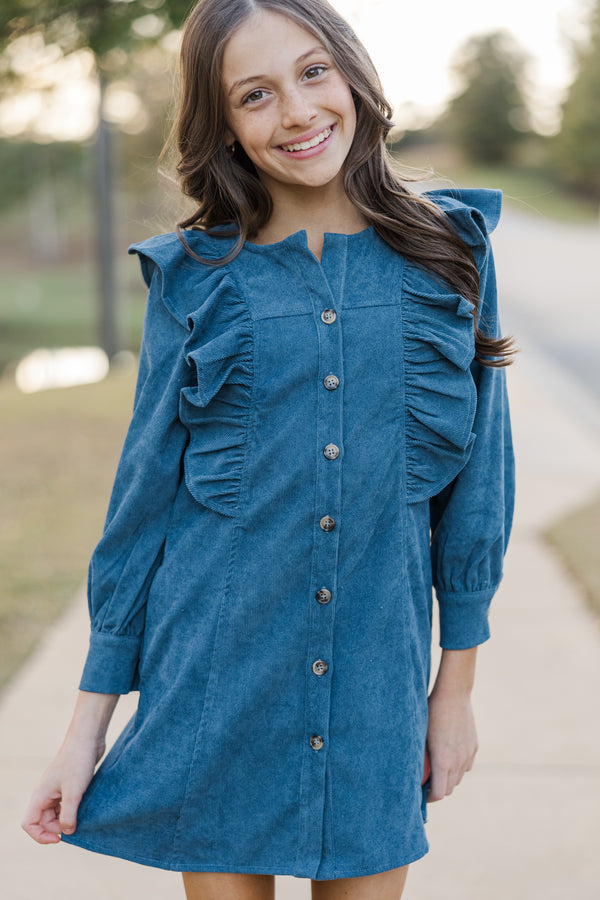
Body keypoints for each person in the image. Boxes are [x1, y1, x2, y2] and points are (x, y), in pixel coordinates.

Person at [22, 1, 516, 897]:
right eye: (255, 94)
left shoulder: (454, 256)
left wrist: (456, 690)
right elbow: (143, 509)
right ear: (225, 128)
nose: (296, 112)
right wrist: (84, 729)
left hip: (376, 689)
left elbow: (479, 494)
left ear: (353, 74)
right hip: (215, 683)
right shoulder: (194, 278)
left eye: (312, 72)